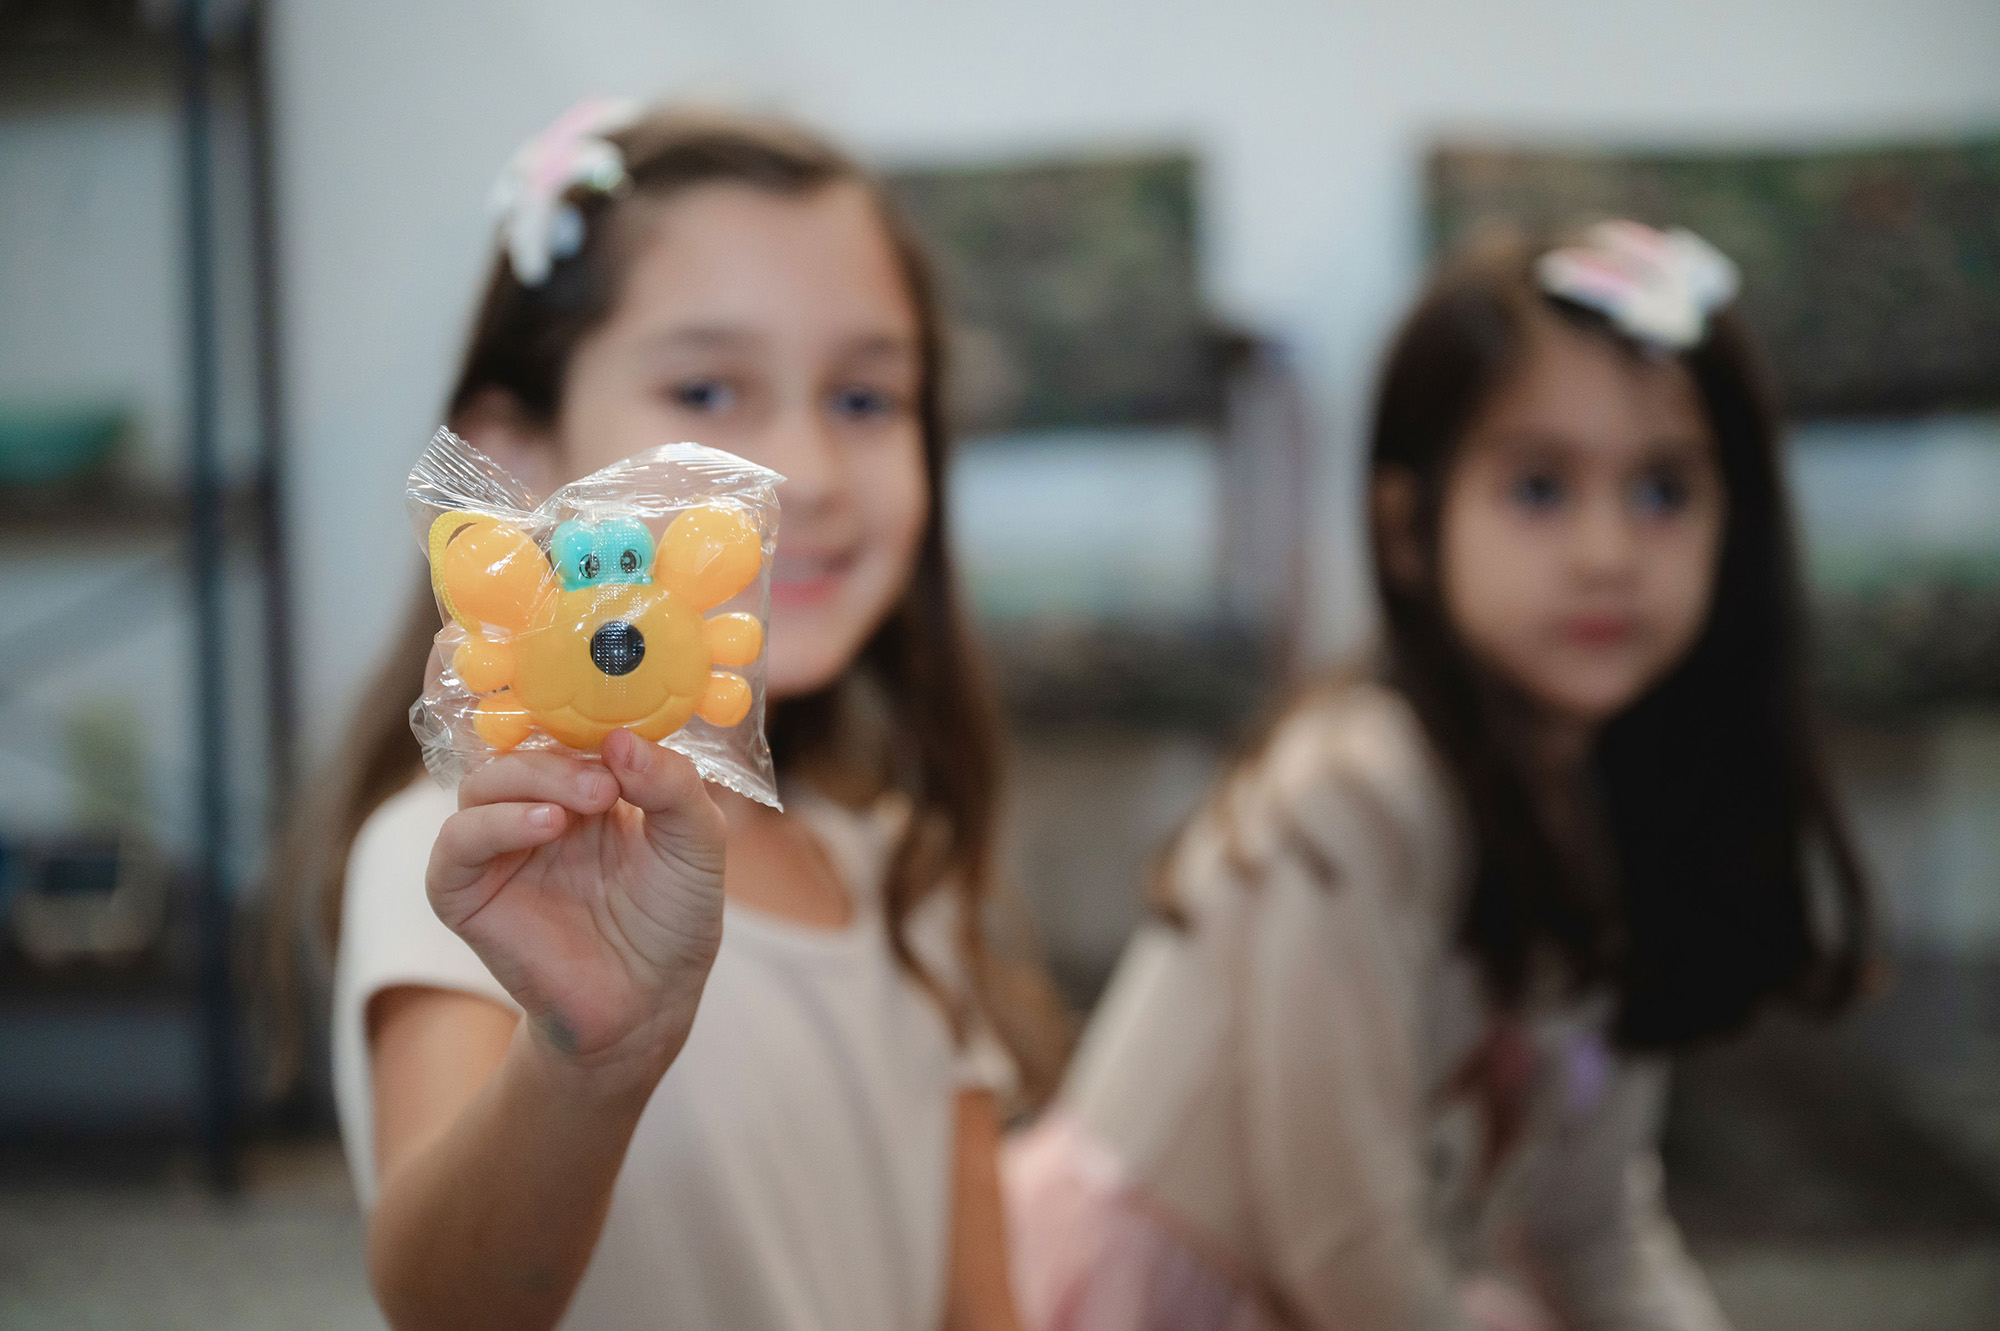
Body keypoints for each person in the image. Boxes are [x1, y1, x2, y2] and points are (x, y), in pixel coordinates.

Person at [1005, 222, 1872, 1331]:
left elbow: (1590, 1227)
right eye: (1539, 487)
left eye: (1661, 491)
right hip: (1169, 1292)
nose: (1606, 550)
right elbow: (1344, 1253)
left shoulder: (1623, 801)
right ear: (1407, 528)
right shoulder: (1356, 792)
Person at [311, 101, 1065, 1331]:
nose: (808, 473)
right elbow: (444, 1302)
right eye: (710, 387)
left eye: (866, 400)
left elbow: (978, 1305)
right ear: (515, 454)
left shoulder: (899, 871)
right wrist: (585, 1059)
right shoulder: (465, 858)